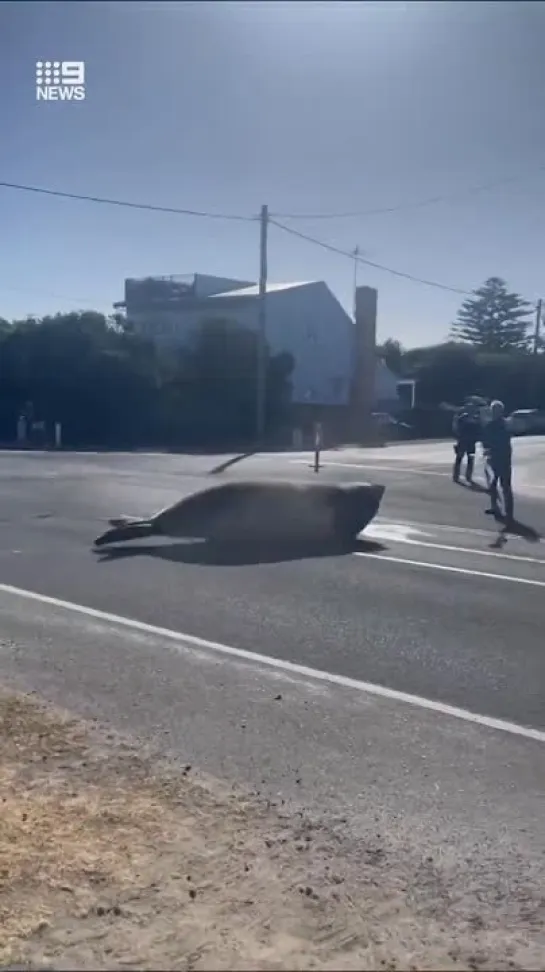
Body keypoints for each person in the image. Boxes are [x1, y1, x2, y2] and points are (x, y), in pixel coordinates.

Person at [481, 399, 514, 523]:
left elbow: (503, 442)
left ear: (501, 411)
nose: (495, 412)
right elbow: (485, 440)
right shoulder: (490, 425)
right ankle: (495, 507)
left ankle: (509, 513)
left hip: (503, 458)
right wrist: (486, 450)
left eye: (497, 410)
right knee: (492, 485)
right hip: (492, 458)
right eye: (493, 410)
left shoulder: (504, 424)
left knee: (505, 486)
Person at [452, 398, 481, 483]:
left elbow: (478, 430)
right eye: (469, 408)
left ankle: (468, 476)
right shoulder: (463, 418)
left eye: (472, 408)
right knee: (459, 458)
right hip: (463, 441)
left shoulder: (476, 418)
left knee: (470, 459)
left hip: (471, 442)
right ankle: (456, 475)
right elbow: (457, 428)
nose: (471, 410)